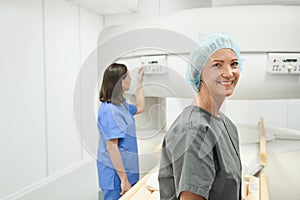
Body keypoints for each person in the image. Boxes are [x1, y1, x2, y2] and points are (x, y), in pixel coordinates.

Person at [158, 33, 244, 200]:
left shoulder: (226, 124)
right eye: (217, 65)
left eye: (234, 64)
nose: (228, 73)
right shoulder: (195, 130)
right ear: (200, 73)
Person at [97, 63, 145, 200]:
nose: (130, 80)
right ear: (120, 81)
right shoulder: (108, 111)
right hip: (116, 175)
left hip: (128, 171)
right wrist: (124, 179)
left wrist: (140, 83)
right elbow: (112, 147)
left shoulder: (121, 105)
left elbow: (140, 107)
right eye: (128, 77)